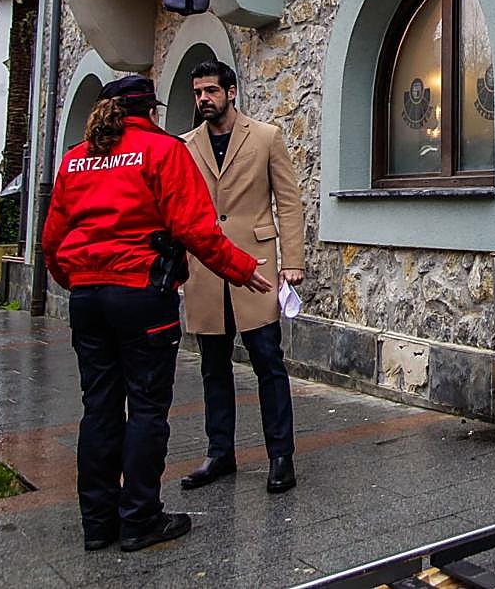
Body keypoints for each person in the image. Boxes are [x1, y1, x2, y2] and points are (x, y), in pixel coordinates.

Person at [42, 76, 272, 552]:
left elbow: (52, 242)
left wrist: (79, 282)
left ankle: (98, 523)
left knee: (99, 408)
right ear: (148, 110)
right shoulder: (163, 151)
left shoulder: (75, 160)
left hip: (88, 299)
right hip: (142, 296)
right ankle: (140, 518)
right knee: (146, 407)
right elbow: (196, 229)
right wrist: (242, 268)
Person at [179, 61, 306, 494]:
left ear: (231, 92)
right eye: (198, 92)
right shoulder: (186, 145)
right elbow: (179, 211)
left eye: (211, 90)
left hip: (257, 266)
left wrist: (293, 261)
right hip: (204, 269)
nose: (203, 99)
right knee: (213, 367)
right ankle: (219, 453)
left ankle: (281, 456)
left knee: (267, 362)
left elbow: (288, 202)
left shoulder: (266, 137)